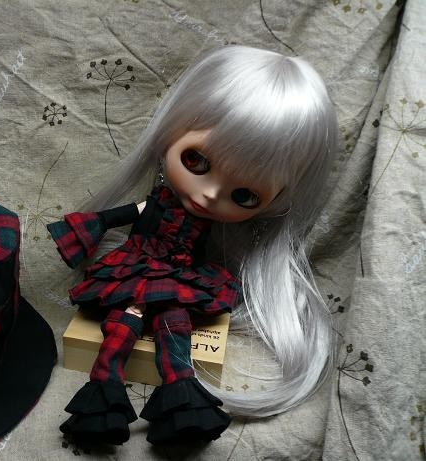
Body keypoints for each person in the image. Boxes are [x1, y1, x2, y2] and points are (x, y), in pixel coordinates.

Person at [47, 45, 339, 446]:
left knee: (174, 324)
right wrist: (85, 230)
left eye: (245, 195)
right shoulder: (152, 206)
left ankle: (182, 398)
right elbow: (111, 217)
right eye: (197, 161)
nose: (209, 195)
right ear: (171, 130)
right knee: (126, 321)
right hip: (136, 266)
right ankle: (102, 394)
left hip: (179, 276)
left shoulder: (211, 229)